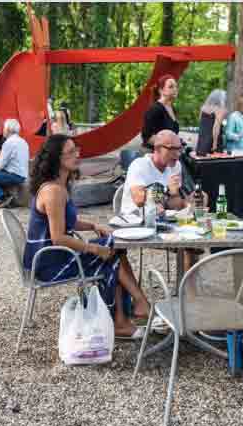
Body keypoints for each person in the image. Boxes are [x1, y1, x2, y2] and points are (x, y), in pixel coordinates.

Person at [23, 134, 154, 339]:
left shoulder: (59, 186)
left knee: (112, 249)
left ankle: (130, 312)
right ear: (57, 159)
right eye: (71, 152)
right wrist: (94, 249)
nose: (77, 155)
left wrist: (93, 225)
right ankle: (129, 313)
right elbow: (58, 237)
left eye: (77, 150)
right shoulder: (53, 191)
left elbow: (67, 222)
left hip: (55, 256)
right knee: (109, 255)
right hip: (49, 264)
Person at [119, 130, 207, 270]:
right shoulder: (140, 165)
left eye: (180, 149)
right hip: (137, 223)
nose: (178, 154)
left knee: (193, 239)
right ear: (157, 149)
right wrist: (166, 191)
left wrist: (189, 202)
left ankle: (187, 289)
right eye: (172, 149)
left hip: (162, 221)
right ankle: (186, 288)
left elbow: (174, 205)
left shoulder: (175, 166)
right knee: (189, 244)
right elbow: (139, 199)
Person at [142, 74, 180, 149]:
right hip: (154, 154)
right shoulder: (155, 109)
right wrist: (168, 143)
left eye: (176, 86)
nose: (175, 89)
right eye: (171, 87)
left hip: (170, 153)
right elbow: (147, 138)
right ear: (161, 91)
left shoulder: (172, 108)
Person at [195, 89, 228, 156]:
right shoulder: (220, 109)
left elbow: (201, 124)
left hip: (202, 142)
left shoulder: (203, 108)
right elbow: (216, 127)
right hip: (213, 142)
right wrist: (214, 144)